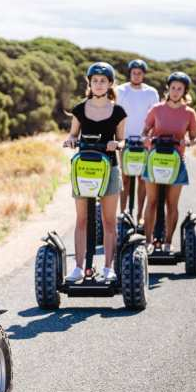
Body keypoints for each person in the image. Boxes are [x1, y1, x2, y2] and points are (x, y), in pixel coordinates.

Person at [62, 62, 127, 283]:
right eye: (95, 80)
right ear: (89, 83)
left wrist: (117, 145)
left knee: (108, 221)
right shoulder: (80, 109)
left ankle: (108, 267)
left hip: (109, 168)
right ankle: (79, 267)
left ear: (110, 84)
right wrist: (71, 140)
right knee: (81, 219)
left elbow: (122, 140)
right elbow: (73, 134)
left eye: (103, 81)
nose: (99, 84)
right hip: (84, 168)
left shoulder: (118, 112)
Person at [142, 71, 196, 253]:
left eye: (179, 89)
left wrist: (187, 142)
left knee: (171, 203)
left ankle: (168, 242)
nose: (175, 91)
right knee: (151, 201)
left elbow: (194, 138)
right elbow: (144, 132)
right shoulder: (156, 109)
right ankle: (148, 241)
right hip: (155, 160)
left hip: (176, 162)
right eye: (173, 87)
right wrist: (146, 139)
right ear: (168, 88)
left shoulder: (189, 113)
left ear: (184, 91)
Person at [116, 59, 160, 219]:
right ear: (130, 73)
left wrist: (150, 137)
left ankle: (140, 216)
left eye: (139, 73)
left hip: (144, 142)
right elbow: (115, 114)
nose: (136, 75)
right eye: (133, 73)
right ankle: (123, 214)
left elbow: (155, 118)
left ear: (143, 74)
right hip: (125, 141)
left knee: (142, 179)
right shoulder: (120, 90)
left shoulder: (151, 93)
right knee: (125, 178)